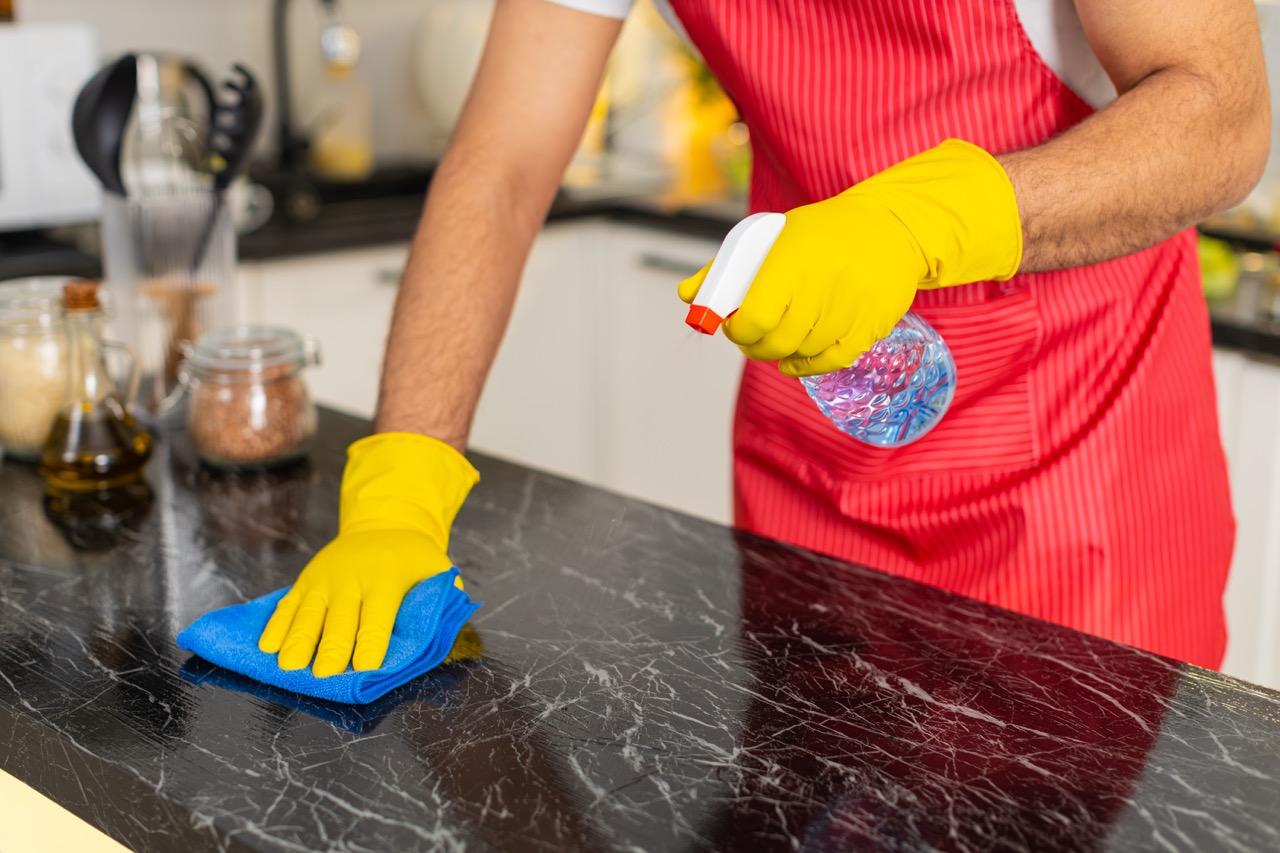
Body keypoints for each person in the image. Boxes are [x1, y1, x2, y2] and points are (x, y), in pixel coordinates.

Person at [256, 0, 1271, 677]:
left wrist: (916, 226)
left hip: (1077, 462)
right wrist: (399, 490)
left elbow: (1220, 115)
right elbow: (501, 163)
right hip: (812, 451)